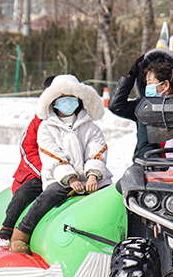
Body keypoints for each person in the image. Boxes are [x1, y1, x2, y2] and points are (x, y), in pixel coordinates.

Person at [9, 75, 113, 254]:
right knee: (50, 195)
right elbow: (52, 156)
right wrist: (70, 178)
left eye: (71, 99)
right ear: (53, 102)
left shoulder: (91, 127)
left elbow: (97, 150)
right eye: (62, 99)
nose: (67, 103)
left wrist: (93, 175)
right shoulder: (46, 128)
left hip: (90, 178)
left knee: (110, 197)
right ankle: (21, 233)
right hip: (61, 179)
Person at [0, 75, 56, 247]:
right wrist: (45, 171)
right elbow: (27, 149)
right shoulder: (38, 122)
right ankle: (6, 230)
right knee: (24, 193)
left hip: (67, 173)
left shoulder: (77, 121)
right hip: (38, 173)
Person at [109, 48, 173, 159]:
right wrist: (130, 77)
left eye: (150, 83)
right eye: (147, 84)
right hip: (151, 168)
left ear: (165, 85)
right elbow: (116, 105)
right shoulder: (144, 107)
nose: (148, 87)